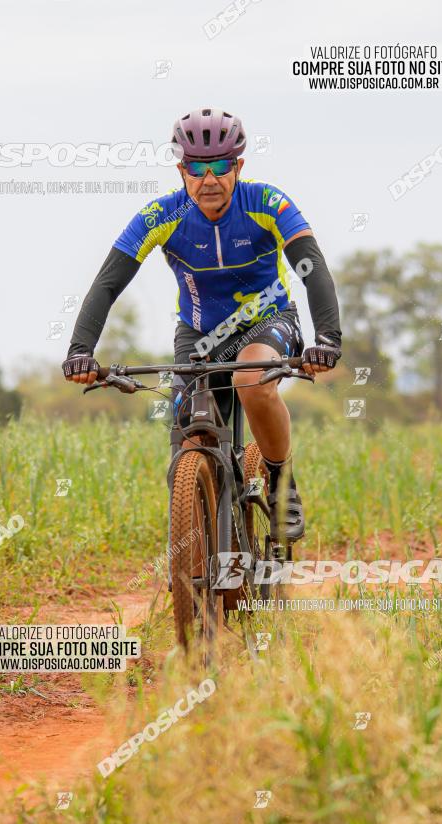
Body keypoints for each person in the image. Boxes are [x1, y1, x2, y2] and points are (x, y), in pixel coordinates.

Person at [62, 107, 342, 541]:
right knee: (185, 436)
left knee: (250, 377)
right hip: (198, 337)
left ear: (238, 166)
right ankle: (201, 539)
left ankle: (282, 482)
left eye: (219, 166)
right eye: (197, 167)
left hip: (266, 322)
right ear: (182, 170)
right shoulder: (160, 215)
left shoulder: (267, 202)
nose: (208, 179)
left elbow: (312, 265)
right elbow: (106, 285)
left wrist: (327, 337)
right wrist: (81, 350)